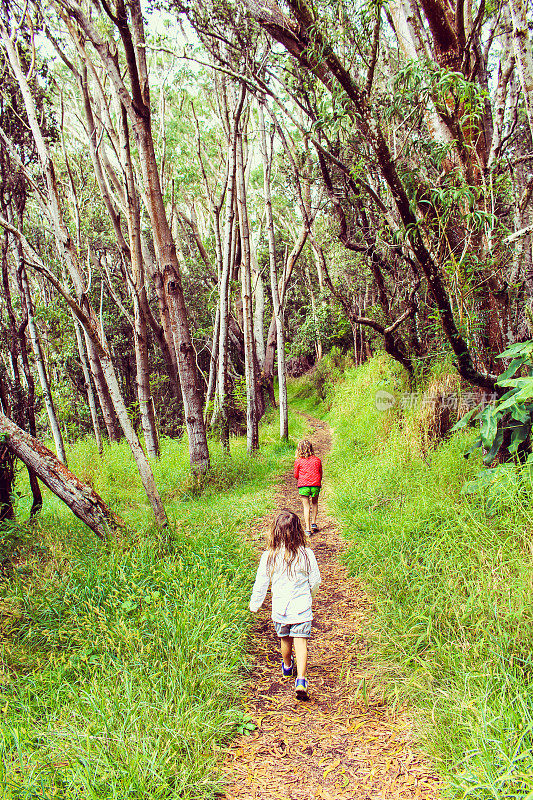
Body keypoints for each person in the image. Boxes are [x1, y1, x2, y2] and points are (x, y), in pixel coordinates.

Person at [249, 509, 321, 700]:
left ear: (275, 533)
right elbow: (315, 581)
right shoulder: (307, 554)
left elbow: (261, 582)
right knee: (301, 641)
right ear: (298, 531)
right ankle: (301, 679)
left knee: (285, 640)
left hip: (281, 609)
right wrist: (309, 595)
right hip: (302, 607)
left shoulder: (269, 556)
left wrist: (255, 604)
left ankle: (287, 666)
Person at [294, 439, 322, 535]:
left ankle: (308, 528)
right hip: (315, 485)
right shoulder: (317, 460)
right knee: (314, 503)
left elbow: (295, 475)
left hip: (303, 486)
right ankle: (314, 523)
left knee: (306, 506)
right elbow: (320, 473)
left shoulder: (298, 461)